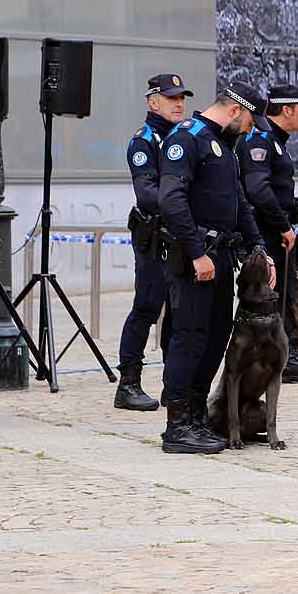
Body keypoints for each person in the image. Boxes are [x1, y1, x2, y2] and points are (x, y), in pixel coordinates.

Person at [157, 84, 271, 453]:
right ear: (237, 110)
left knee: (215, 338)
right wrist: (195, 253)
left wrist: (259, 248)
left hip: (221, 257)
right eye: (251, 119)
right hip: (196, 258)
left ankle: (196, 415)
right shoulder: (187, 138)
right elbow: (171, 200)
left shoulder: (224, 147)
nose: (251, 128)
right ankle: (176, 426)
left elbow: (240, 203)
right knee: (189, 338)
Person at [239, 83, 298, 385]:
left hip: (277, 230)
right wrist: (284, 227)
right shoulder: (261, 139)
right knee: (273, 297)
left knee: (286, 295)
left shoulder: (275, 140)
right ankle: (277, 361)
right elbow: (258, 190)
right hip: (267, 232)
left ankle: (286, 359)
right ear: (287, 109)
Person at [115, 73, 191, 412]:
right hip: (154, 234)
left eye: (181, 98)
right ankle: (128, 383)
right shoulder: (143, 140)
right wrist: (180, 202)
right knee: (146, 308)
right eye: (172, 98)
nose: (179, 104)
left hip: (179, 234)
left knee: (178, 311)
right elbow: (146, 193)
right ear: (153, 102)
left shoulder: (182, 137)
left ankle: (173, 384)